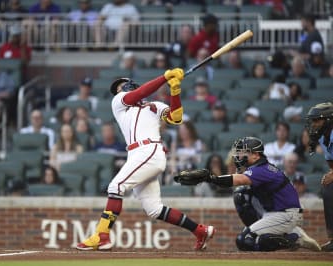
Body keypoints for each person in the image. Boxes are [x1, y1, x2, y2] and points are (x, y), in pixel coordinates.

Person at [76, 68, 215, 251]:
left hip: (149, 150)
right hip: (137, 154)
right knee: (154, 209)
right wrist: (165, 77)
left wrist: (175, 91)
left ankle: (102, 236)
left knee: (116, 187)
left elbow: (176, 118)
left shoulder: (155, 105)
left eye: (120, 86)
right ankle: (199, 231)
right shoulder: (119, 103)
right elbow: (139, 94)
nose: (118, 90)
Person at [173, 136, 321, 252]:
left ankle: (293, 238)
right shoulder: (258, 167)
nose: (239, 155)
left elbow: (239, 179)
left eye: (244, 152)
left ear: (256, 155)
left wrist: (210, 178)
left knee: (245, 241)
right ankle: (278, 233)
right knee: (241, 194)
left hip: (286, 215)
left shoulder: (262, 169)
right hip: (274, 213)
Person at [305, 102, 333, 251]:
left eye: (317, 120)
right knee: (329, 188)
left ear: (328, 120)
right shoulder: (323, 138)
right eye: (313, 121)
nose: (314, 124)